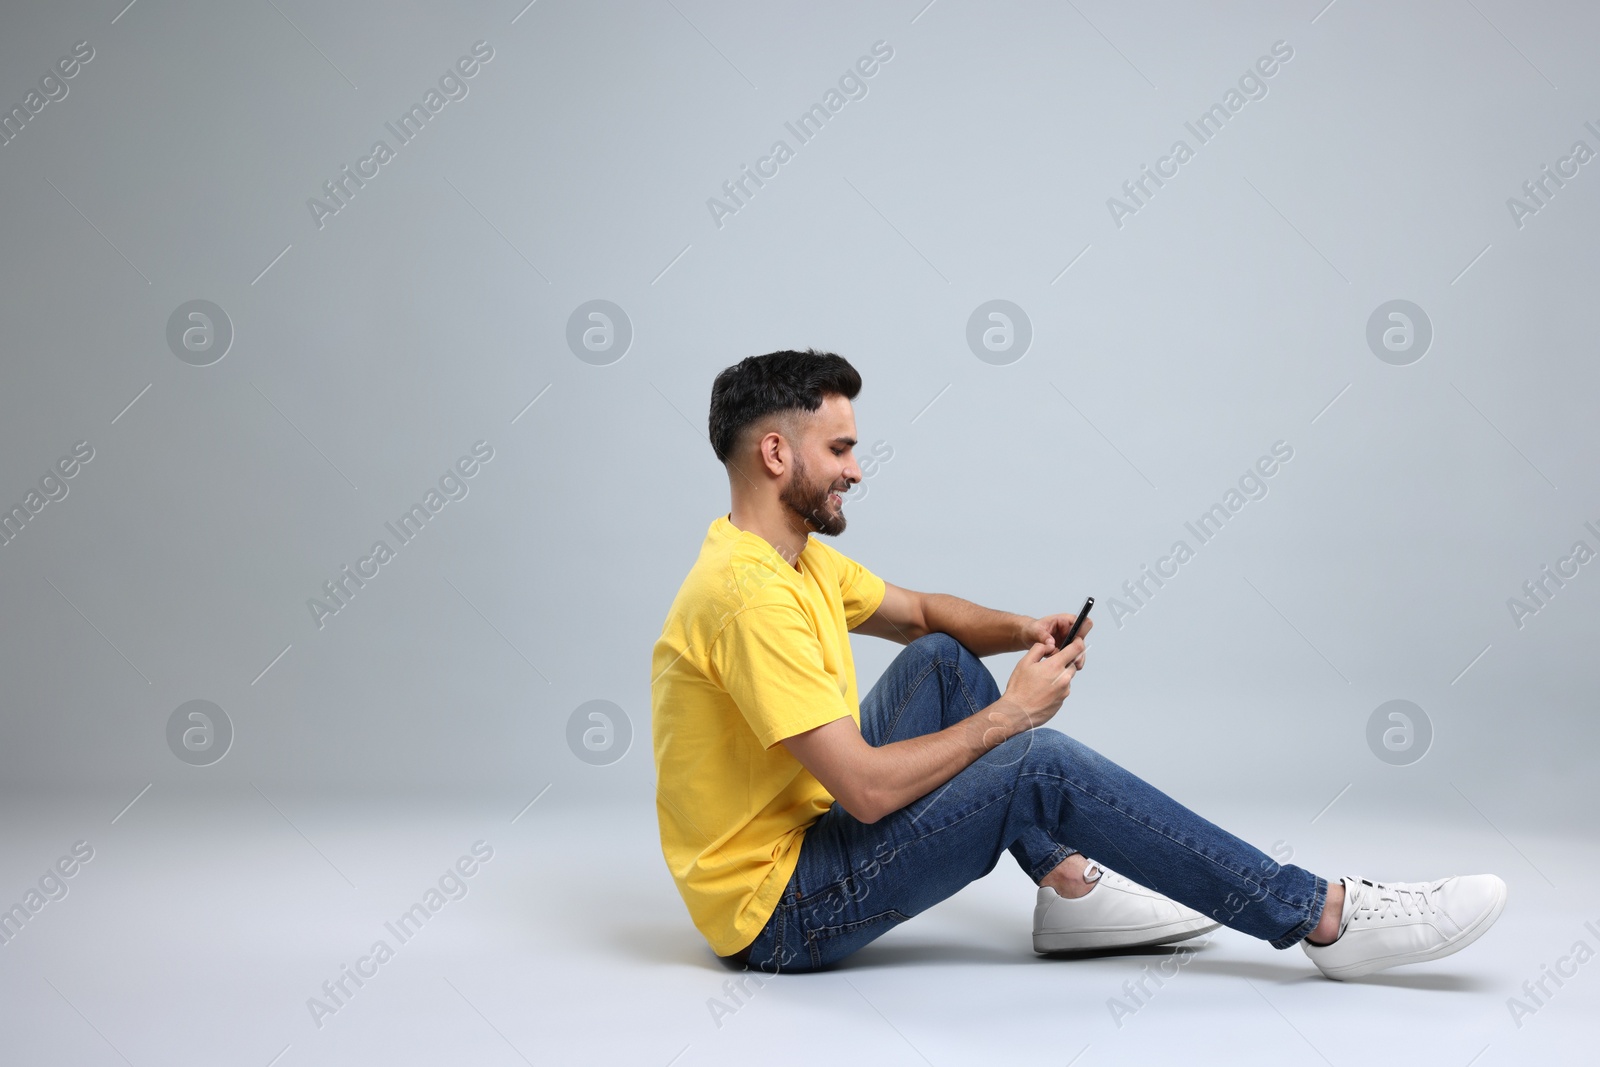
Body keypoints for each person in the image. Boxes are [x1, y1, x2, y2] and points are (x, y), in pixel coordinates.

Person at [650, 348, 1506, 978]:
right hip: (783, 912)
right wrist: (1013, 714)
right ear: (775, 454)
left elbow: (918, 616)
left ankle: (1066, 888)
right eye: (838, 449)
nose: (857, 469)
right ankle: (1323, 917)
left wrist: (1025, 627)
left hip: (806, 836)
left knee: (945, 660)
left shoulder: (789, 557)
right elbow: (868, 790)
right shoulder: (746, 599)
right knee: (1039, 762)